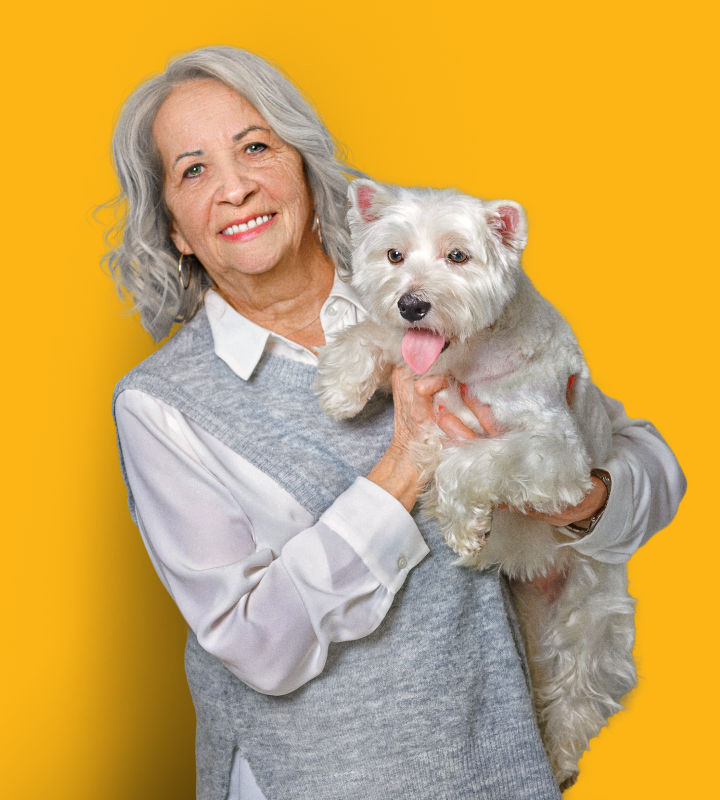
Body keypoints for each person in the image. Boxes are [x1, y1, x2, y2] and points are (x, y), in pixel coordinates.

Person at [106, 46, 686, 800]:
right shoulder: (163, 405)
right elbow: (255, 643)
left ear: (306, 173)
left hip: (502, 770)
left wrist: (580, 502)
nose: (236, 186)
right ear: (176, 229)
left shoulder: (445, 290)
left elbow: (648, 466)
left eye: (255, 147)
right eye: (194, 169)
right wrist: (405, 466)